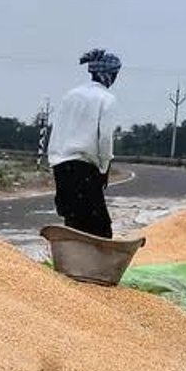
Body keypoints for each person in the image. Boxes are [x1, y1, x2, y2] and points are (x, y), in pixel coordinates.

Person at [48, 48, 121, 238]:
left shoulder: (70, 95)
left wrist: (54, 160)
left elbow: (57, 130)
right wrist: (104, 168)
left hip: (60, 166)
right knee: (99, 227)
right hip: (84, 168)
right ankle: (95, 265)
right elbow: (104, 138)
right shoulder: (107, 99)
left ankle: (72, 262)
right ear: (109, 75)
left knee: (72, 220)